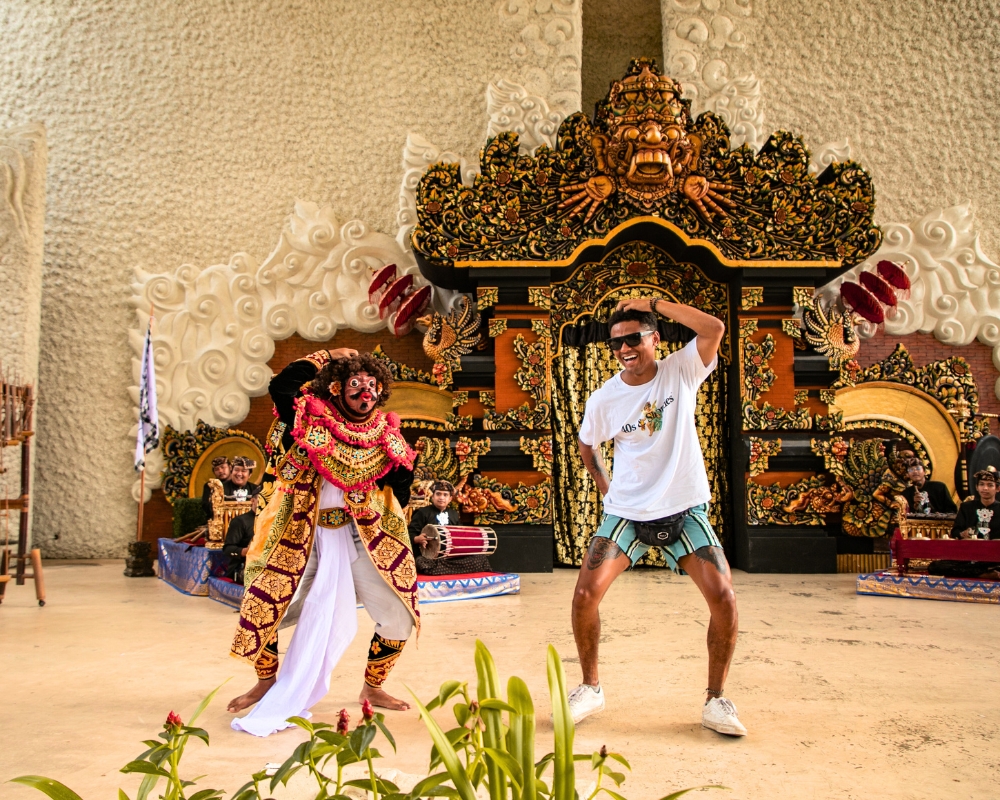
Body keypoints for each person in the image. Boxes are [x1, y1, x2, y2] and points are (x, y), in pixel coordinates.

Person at [569, 296, 746, 737]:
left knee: (723, 596)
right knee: (585, 596)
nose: (625, 349)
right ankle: (590, 688)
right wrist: (605, 486)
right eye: (616, 344)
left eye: (634, 338)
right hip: (627, 512)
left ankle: (716, 700)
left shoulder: (680, 370)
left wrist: (652, 303)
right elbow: (587, 443)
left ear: (655, 338)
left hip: (684, 506)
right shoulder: (604, 399)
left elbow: (714, 328)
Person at [226, 348, 419, 736]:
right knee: (264, 608)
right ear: (336, 387)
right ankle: (267, 682)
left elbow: (401, 486)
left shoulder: (386, 431)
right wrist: (326, 354)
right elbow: (281, 386)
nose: (366, 393)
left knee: (400, 614)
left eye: (373, 387)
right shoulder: (308, 415)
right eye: (356, 384)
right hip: (303, 533)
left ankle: (373, 686)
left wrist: (396, 473)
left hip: (360, 534)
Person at [927, 467, 1000, 580]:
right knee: (935, 566)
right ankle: (983, 574)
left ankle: (985, 571)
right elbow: (955, 532)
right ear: (976, 487)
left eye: (990, 485)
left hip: (995, 557)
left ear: (997, 488)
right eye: (981, 484)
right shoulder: (967, 507)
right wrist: (962, 534)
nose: (985, 488)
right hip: (970, 557)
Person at [408, 480, 493, 575]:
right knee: (422, 562)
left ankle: (444, 571)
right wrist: (416, 539)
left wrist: (458, 545)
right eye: (438, 494)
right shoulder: (422, 513)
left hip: (451, 556)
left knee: (480, 559)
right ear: (432, 497)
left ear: (450, 498)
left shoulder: (454, 514)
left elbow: (461, 535)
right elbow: (409, 533)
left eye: (445, 495)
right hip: (430, 557)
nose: (441, 498)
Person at [222, 511, 255, 583]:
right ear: (253, 500)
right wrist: (244, 551)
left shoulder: (274, 520)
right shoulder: (240, 521)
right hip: (242, 568)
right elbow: (227, 549)